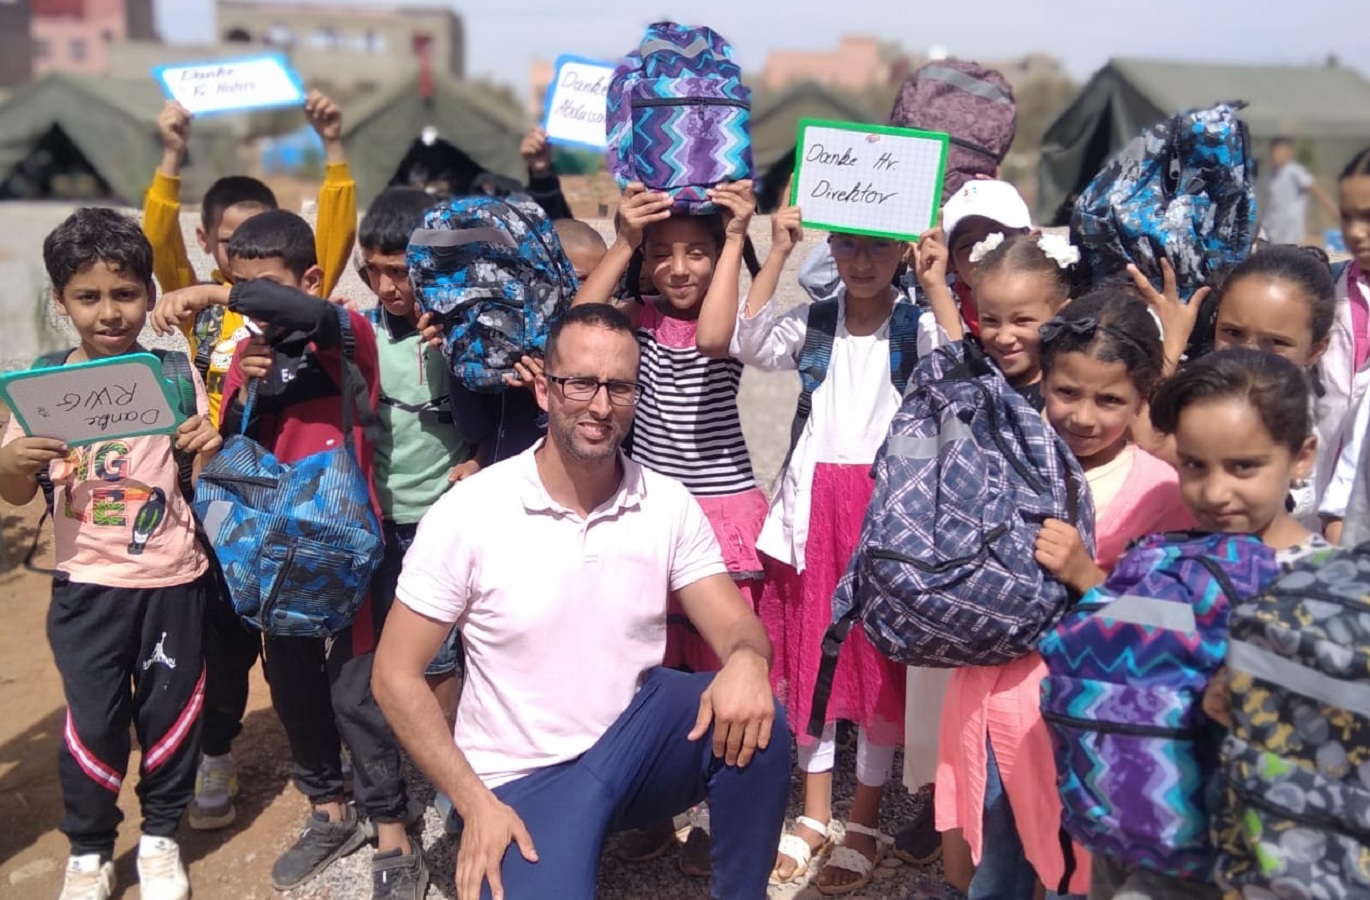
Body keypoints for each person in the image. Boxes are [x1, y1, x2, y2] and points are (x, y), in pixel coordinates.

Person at [372, 303, 789, 900]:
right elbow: (394, 674)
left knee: (759, 719)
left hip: (632, 750)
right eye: (580, 383)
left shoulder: (665, 502)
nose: (599, 406)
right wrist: (474, 803)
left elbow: (735, 623)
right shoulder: (472, 511)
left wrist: (749, 660)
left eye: (619, 387)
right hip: (520, 776)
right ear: (544, 388)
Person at [144, 91, 357, 835]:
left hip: (311, 519)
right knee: (230, 645)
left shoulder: (314, 322)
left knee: (324, 656)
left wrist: (332, 145)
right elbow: (162, 248)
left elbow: (332, 241)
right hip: (224, 512)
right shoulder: (213, 319)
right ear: (211, 248)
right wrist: (169, 162)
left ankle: (358, 775)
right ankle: (221, 751)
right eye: (233, 262)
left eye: (264, 279)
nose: (249, 292)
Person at [0, 209, 223, 900]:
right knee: (92, 721)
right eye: (88, 296)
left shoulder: (174, 370)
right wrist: (16, 458)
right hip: (86, 586)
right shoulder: (41, 386)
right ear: (60, 301)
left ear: (149, 294)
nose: (109, 312)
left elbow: (208, 471)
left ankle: (159, 837)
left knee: (170, 715)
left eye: (125, 293)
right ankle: (90, 850)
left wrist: (208, 446)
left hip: (173, 582)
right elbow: (12, 495)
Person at [197, 211, 421, 899]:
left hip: (346, 542)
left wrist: (215, 294)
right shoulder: (246, 355)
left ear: (311, 280)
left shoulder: (345, 336)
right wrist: (248, 384)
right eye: (240, 284)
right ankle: (329, 809)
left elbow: (286, 310)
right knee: (293, 683)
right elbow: (229, 436)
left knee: (357, 690)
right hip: (274, 548)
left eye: (264, 287)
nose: (251, 301)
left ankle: (391, 827)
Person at [731, 210, 943, 894]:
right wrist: (777, 252)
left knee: (876, 669)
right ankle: (816, 813)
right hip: (813, 510)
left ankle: (866, 816)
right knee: (812, 657)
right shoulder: (814, 320)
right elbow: (749, 340)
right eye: (847, 244)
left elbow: (964, 366)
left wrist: (937, 282)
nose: (861, 261)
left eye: (878, 246)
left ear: (902, 251)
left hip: (885, 512)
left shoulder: (917, 328)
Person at [565, 180, 768, 875]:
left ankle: (721, 809)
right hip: (647, 510)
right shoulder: (634, 320)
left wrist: (739, 235)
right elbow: (577, 326)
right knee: (649, 665)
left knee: (718, 668)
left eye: (696, 254)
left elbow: (715, 335)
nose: (677, 268)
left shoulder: (734, 318)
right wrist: (623, 238)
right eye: (662, 254)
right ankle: (654, 806)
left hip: (720, 514)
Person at [1089, 348, 1330, 900]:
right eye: (1194, 466)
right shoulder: (1160, 560)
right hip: (1128, 827)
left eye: (1244, 467)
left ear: (1301, 457)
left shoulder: (1326, 593)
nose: (1215, 493)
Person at [144, 91, 356, 427]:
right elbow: (158, 241)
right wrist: (172, 154)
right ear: (204, 239)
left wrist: (331, 144)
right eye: (231, 242)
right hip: (220, 456)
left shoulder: (298, 294)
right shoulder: (196, 306)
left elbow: (338, 233)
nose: (246, 248)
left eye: (259, 235)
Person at [356, 186, 472, 732]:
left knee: (441, 652)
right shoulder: (360, 332)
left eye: (400, 271)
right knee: (387, 645)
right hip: (378, 522)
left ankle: (448, 773)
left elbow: (506, 416)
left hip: (442, 521)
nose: (386, 286)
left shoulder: (470, 334)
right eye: (372, 270)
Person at [1146, 245, 1336, 529]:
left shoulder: (1327, 422)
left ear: (1316, 350)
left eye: (1276, 342)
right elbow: (1151, 440)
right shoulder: (1198, 398)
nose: (1249, 352)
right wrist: (1172, 347)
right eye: (1233, 333)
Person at [1261, 137, 1339, 246]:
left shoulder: (1295, 171)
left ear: (1287, 152)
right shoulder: (1270, 174)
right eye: (1273, 152)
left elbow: (1316, 190)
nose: (1275, 155)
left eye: (1279, 152)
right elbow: (1268, 201)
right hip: (1272, 226)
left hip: (1290, 229)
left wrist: (1335, 211)